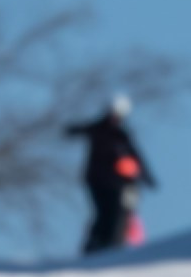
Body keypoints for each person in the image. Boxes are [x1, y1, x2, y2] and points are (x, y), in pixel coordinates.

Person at [64, 97, 155, 255]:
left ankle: (112, 244)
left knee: (117, 212)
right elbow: (77, 130)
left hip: (117, 183)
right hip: (96, 181)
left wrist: (147, 176)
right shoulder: (98, 129)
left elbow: (135, 156)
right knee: (102, 212)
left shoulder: (121, 135)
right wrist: (71, 130)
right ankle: (95, 244)